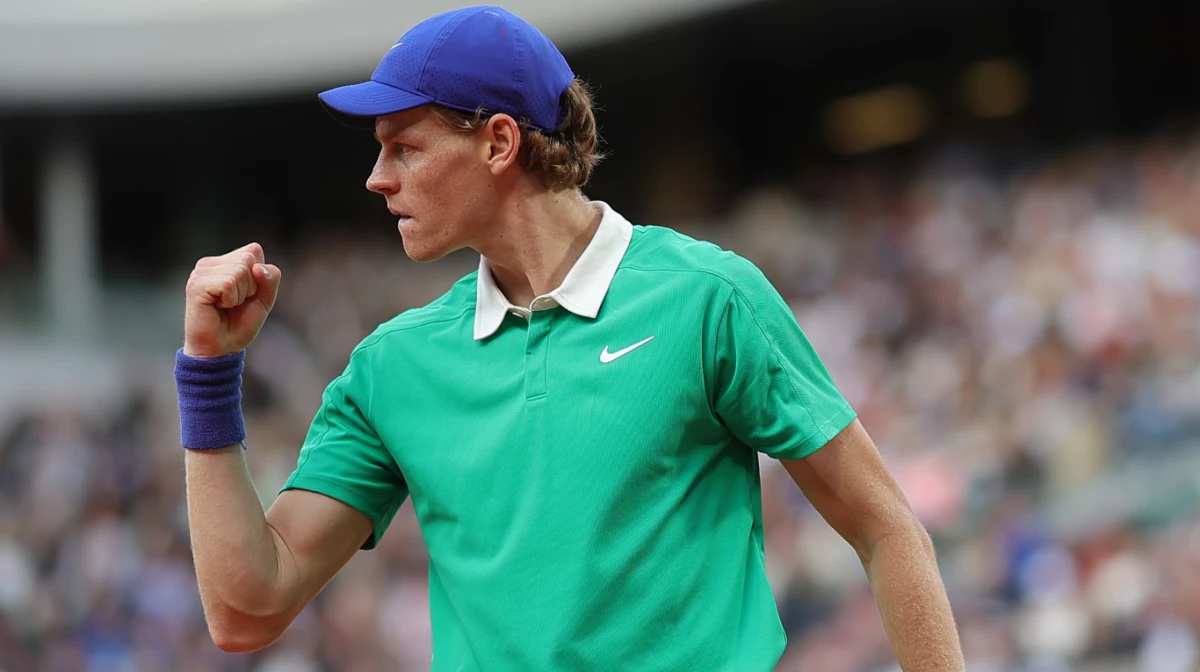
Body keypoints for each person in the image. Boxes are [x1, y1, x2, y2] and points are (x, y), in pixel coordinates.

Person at [176, 5, 965, 671]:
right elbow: (248, 608)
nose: (378, 178)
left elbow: (887, 528)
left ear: (497, 143)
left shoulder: (707, 299)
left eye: (403, 147)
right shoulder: (390, 368)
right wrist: (209, 372)